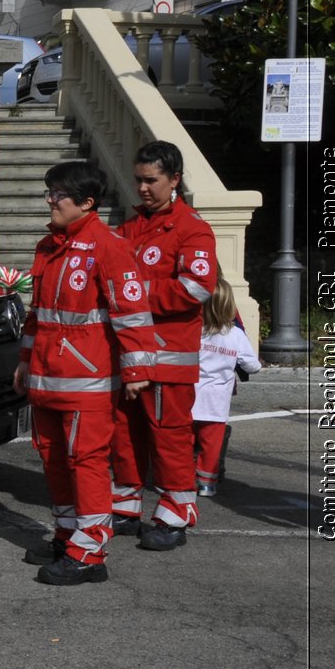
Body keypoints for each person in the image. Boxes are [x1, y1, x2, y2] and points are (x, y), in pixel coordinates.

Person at [13, 161, 155, 586]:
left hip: (87, 381)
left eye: (58, 193)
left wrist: (137, 370)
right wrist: (24, 361)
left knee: (88, 462)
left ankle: (90, 551)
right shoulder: (47, 246)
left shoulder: (108, 246)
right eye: (50, 192)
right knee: (54, 459)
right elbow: (38, 314)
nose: (50, 200)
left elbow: (132, 312)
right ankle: (68, 535)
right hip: (46, 376)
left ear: (87, 202)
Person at [110, 141, 218, 551]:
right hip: (129, 353)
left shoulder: (192, 228)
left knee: (169, 436)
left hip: (169, 357)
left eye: (150, 180)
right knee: (125, 432)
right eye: (138, 180)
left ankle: (176, 513)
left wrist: (136, 293)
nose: (142, 188)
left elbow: (196, 288)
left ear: (174, 180)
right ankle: (125, 506)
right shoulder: (130, 227)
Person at [192, 276, 261, 498]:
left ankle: (181, 480)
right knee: (211, 446)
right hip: (217, 401)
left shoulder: (194, 330)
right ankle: (206, 483)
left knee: (184, 443)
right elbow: (251, 365)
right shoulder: (235, 334)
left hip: (190, 395)